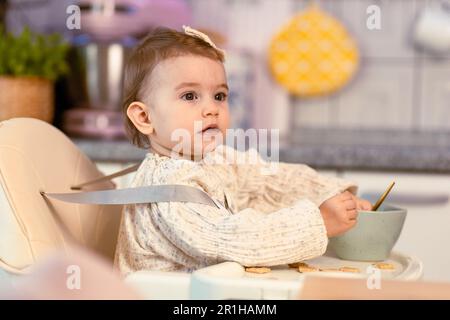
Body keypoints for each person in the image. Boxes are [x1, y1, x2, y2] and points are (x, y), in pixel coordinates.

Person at [114, 26, 372, 276]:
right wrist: (319, 222)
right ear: (145, 117)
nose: (211, 109)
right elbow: (232, 239)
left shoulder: (213, 160)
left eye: (219, 96)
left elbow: (266, 179)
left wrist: (331, 196)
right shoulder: (169, 189)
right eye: (190, 96)